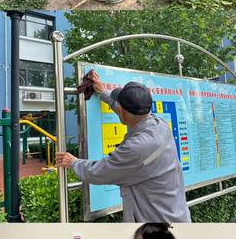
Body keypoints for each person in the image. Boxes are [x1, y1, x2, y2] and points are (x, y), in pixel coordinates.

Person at [55, 71, 191, 222]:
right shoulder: (159, 124)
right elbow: (128, 114)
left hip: (158, 225)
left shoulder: (136, 148)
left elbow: (99, 171)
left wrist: (73, 162)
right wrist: (103, 93)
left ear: (123, 112)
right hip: (176, 213)